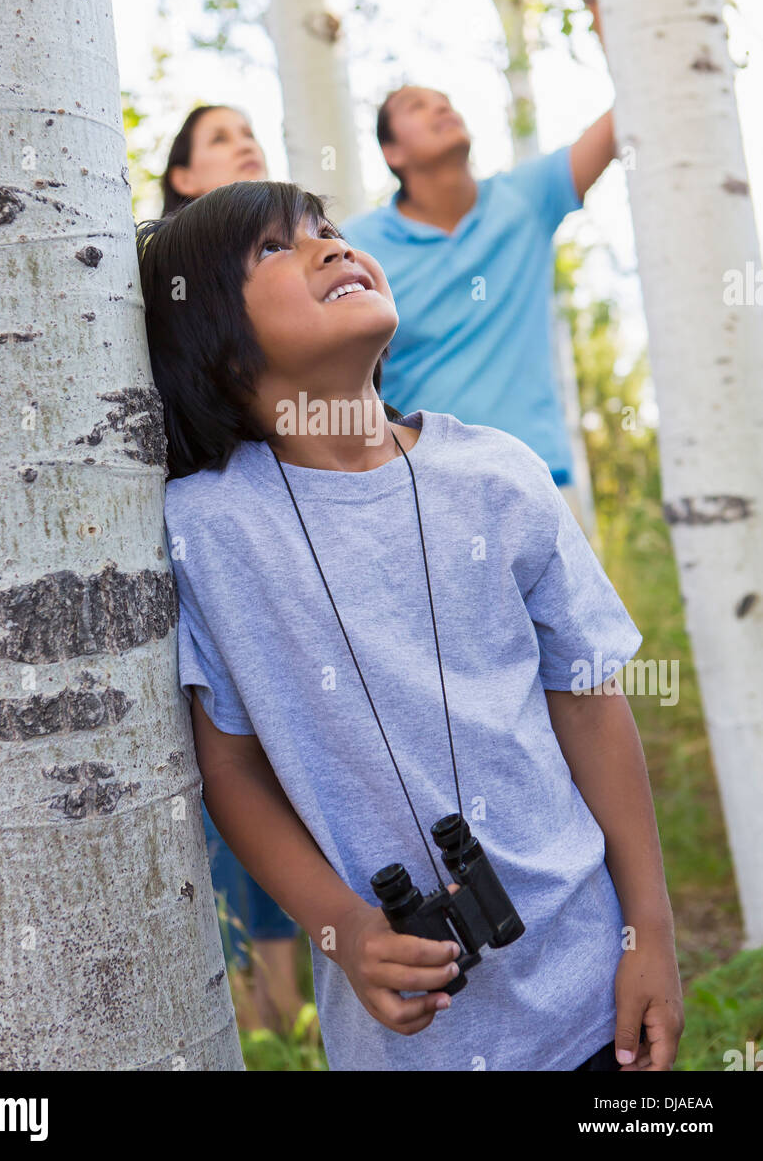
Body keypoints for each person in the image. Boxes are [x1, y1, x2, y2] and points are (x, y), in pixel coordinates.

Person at [138, 179, 684, 1071]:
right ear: (214, 346)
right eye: (274, 248)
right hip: (407, 1050)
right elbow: (228, 762)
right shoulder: (205, 529)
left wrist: (648, 935)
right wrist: (344, 928)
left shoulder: (498, 475)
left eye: (328, 228)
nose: (329, 246)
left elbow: (588, 701)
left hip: (593, 1001)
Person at [340, 0, 611, 528]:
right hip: (419, 494)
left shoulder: (528, 198)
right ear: (392, 154)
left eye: (445, 100)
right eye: (415, 107)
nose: (440, 107)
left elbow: (635, 102)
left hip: (541, 482)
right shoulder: (356, 246)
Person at [143, 103, 307, 1036]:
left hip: (279, 547)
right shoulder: (161, 287)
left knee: (278, 768)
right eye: (217, 140)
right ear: (182, 181)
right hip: (198, 560)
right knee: (225, 769)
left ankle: (287, 1011)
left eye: (250, 131)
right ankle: (261, 1011)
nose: (243, 142)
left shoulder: (285, 274)